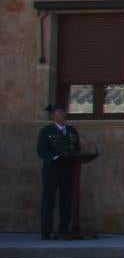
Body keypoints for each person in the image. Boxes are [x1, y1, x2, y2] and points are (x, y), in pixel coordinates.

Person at [37, 102, 81, 240]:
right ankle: (46, 230)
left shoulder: (71, 131)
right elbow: (41, 151)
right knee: (49, 200)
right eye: (59, 112)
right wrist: (55, 157)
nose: (63, 114)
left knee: (66, 200)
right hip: (52, 170)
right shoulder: (46, 131)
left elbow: (76, 148)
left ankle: (64, 229)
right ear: (52, 115)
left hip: (68, 170)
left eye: (64, 112)